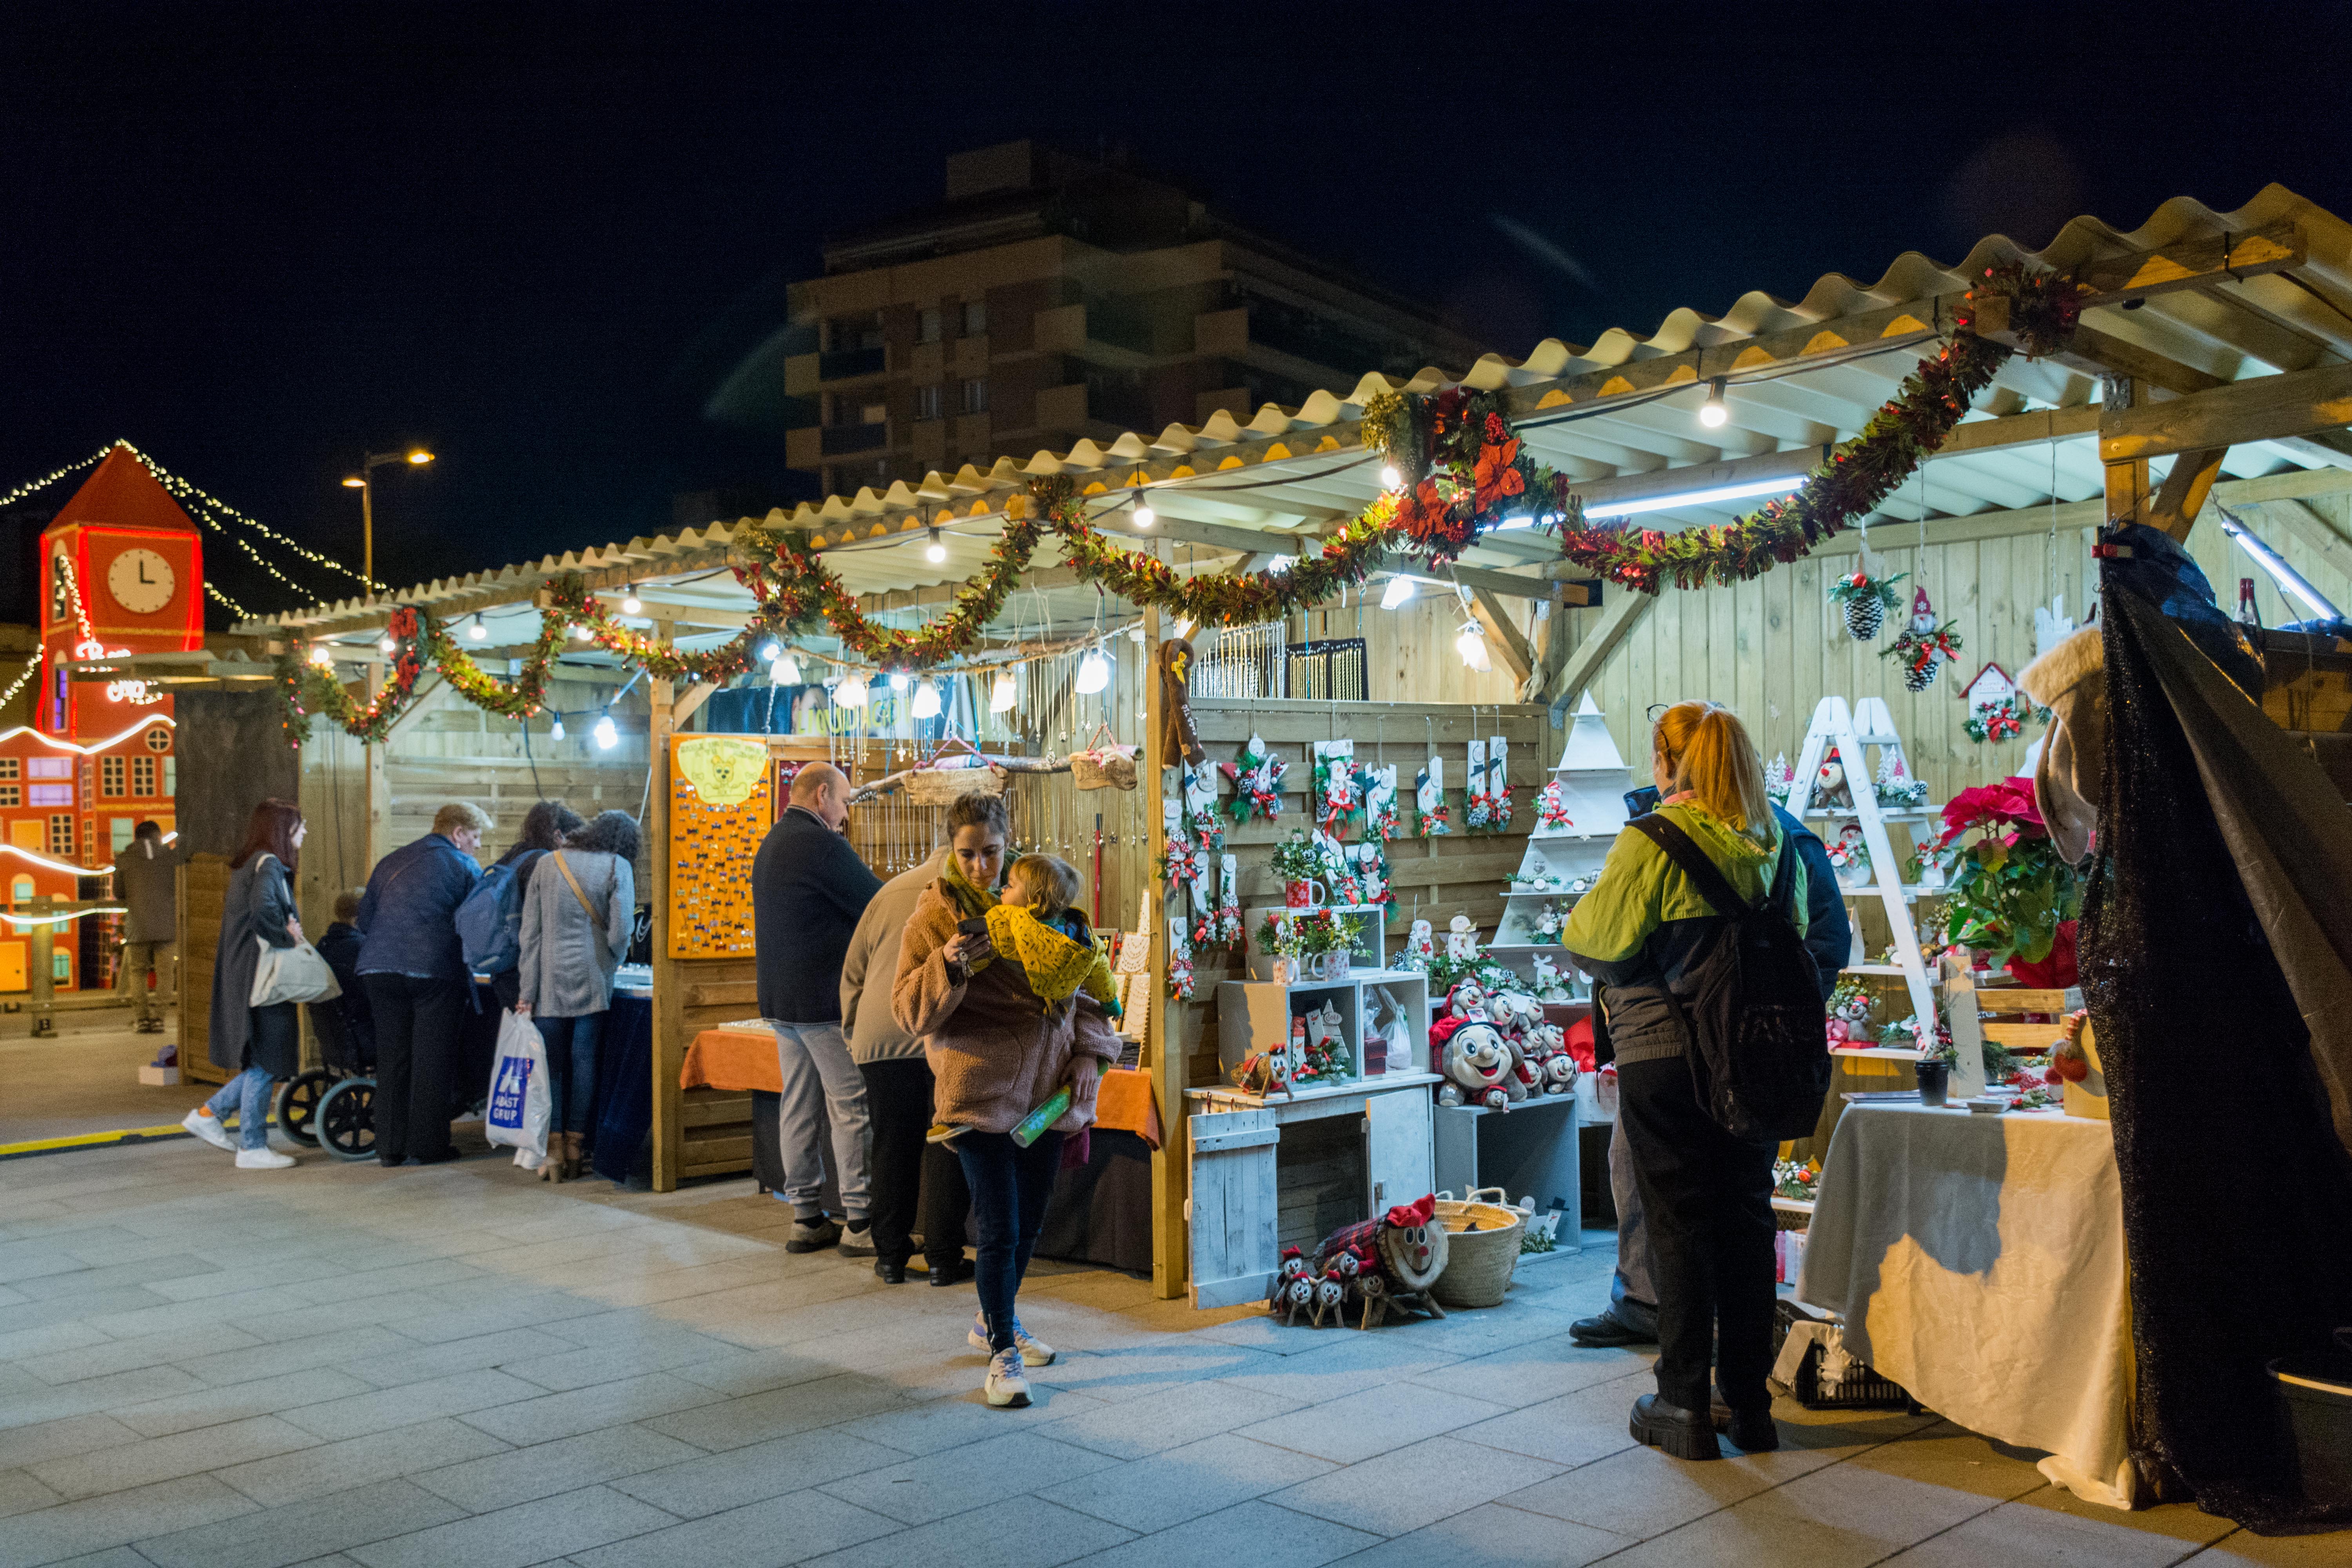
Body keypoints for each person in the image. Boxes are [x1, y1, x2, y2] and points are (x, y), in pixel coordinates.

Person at [1564, 700, 1806, 1461]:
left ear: (1672, 764)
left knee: (1679, 1220)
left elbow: (1592, 934)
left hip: (1666, 1053)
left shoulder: (1655, 839)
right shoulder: (1779, 843)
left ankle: (1683, 1399)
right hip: (1758, 1056)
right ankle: (1750, 1401)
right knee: (1745, 1218)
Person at [1573, 800, 1850, 1352]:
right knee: (1729, 1197)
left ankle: (1684, 1368)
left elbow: (1596, 939)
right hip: (1742, 1050)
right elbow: (1822, 940)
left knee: (1680, 1201)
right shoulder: (1778, 837)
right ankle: (1715, 1357)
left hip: (1685, 1046)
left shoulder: (1689, 836)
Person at [893, 793, 1123, 1409]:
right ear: (950, 851)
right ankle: (1002, 1354)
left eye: (990, 852)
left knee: (1031, 1222)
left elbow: (1092, 987)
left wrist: (1089, 1053)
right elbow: (908, 1011)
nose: (979, 868)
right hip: (977, 1092)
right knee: (999, 1226)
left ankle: (996, 1317)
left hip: (1047, 1096)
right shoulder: (935, 919)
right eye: (965, 855)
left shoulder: (1044, 894)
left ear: (1008, 842)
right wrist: (948, 968)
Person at [751, 762, 881, 1254]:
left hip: (781, 1001)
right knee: (851, 1105)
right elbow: (875, 902)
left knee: (799, 1104)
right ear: (823, 794)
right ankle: (862, 1220)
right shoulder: (822, 844)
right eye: (845, 803)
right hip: (823, 1002)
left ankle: (805, 1215)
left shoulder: (773, 842)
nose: (846, 816)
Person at [840, 840, 973, 1286]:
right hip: (941, 1037)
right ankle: (942, 1257)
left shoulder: (889, 891)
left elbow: (854, 971)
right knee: (946, 1145)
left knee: (891, 1147)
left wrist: (854, 1034)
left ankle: (891, 1256)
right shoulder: (969, 895)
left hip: (879, 1038)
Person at [927, 853, 1120, 1143]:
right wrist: (1111, 1001)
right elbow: (1100, 977)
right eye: (968, 853)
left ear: (1034, 900)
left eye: (1011, 885)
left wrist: (962, 965)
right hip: (996, 1099)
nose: (1003, 887)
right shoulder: (1082, 934)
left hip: (1043, 1098)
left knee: (1029, 1189)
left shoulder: (1005, 919)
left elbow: (985, 954)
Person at [357, 801, 491, 1166]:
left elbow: (365, 920)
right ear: (458, 833)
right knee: (433, 1060)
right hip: (434, 972)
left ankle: (388, 1147)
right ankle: (429, 1147)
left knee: (393, 1058)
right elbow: (479, 925)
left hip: (377, 969)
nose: (478, 846)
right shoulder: (464, 865)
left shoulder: (391, 861)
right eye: (476, 837)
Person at [182, 800, 307, 1169]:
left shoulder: (253, 864)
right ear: (282, 831)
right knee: (269, 1056)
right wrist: (289, 937)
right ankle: (252, 1146)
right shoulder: (268, 865)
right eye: (300, 827)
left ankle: (209, 1114)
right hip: (262, 976)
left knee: (262, 1058)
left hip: (245, 973)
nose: (305, 833)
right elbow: (262, 912)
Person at [515, 809, 637, 1181]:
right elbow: (620, 932)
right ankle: (574, 1146)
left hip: (548, 979)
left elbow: (530, 935)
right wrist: (611, 960)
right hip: (593, 977)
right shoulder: (618, 866)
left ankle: (550, 1149)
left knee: (551, 1065)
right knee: (584, 1063)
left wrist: (527, 991)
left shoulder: (547, 864)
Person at [484, 801, 585, 1011]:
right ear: (559, 836)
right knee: (537, 1041)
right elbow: (548, 919)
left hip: (503, 965)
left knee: (517, 1039)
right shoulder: (545, 862)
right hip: (528, 969)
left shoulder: (513, 856)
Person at [112, 819, 176, 1034]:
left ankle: (142, 1020)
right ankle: (159, 1019)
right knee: (165, 974)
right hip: (167, 926)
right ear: (158, 837)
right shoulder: (172, 858)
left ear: (137, 837)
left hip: (137, 926)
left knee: (138, 973)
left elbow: (119, 893)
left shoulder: (124, 859)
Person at [314, 889, 376, 1063]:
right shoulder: (361, 948)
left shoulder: (322, 946)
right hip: (362, 1040)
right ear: (359, 917)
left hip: (333, 1041)